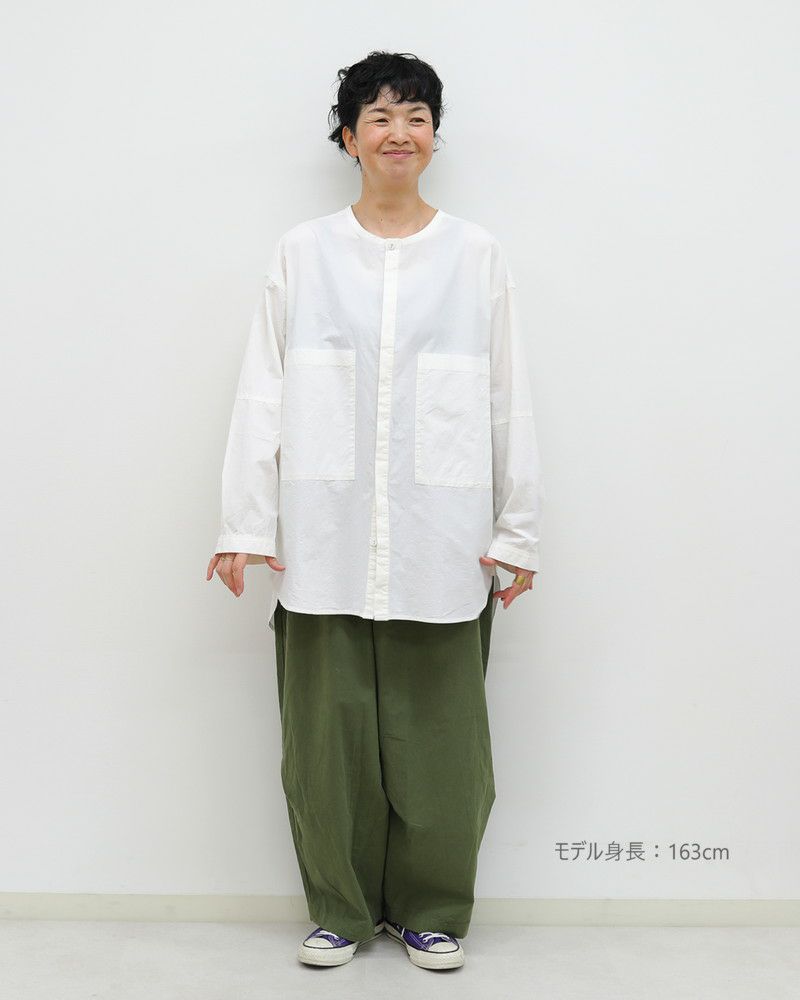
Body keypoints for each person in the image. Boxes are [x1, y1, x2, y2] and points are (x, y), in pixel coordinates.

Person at [206, 50, 544, 971]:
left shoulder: (476, 257)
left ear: (435, 136)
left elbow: (507, 397)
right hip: (324, 541)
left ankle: (433, 911)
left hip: (447, 546)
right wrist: (245, 524)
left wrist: (517, 532)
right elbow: (263, 391)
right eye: (380, 117)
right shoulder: (302, 253)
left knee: (445, 752)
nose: (400, 132)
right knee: (327, 750)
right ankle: (340, 910)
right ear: (349, 138)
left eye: (417, 116)